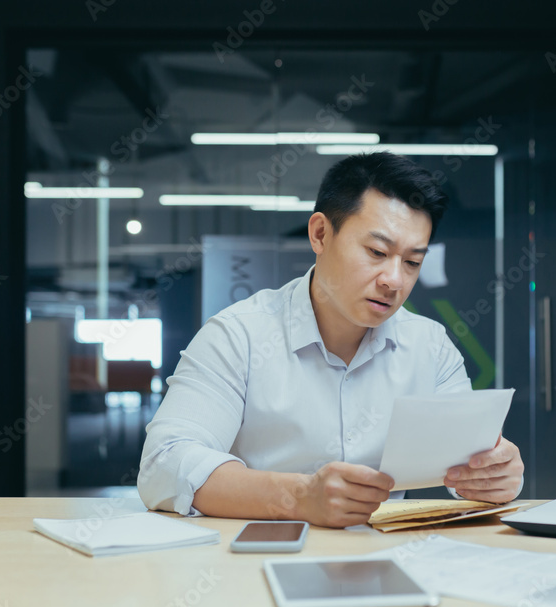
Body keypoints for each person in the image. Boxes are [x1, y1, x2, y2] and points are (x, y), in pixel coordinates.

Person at [137, 151, 523, 527]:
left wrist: (495, 475)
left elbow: (468, 460)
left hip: (383, 561)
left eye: (412, 262)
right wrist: (300, 498)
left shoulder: (430, 346)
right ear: (320, 234)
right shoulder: (239, 336)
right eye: (376, 251)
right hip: (256, 559)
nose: (394, 280)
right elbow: (163, 464)